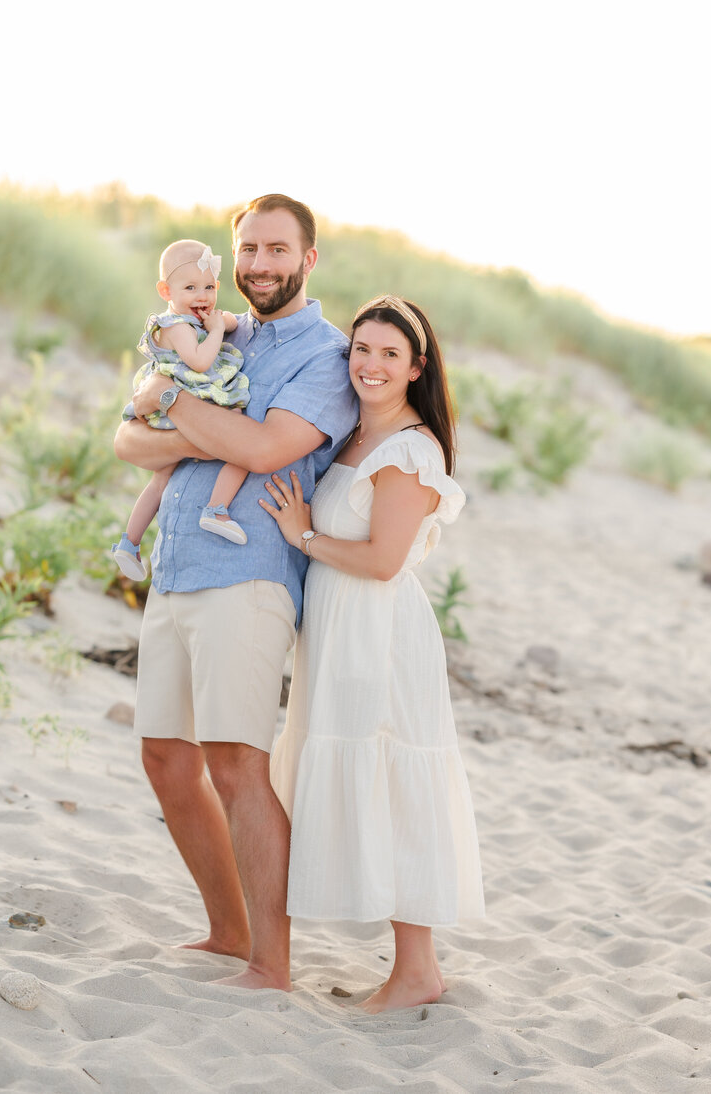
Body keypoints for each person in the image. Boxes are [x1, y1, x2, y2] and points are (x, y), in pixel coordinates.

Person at [113, 194, 358, 991]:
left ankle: (272, 962)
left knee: (235, 763)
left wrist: (174, 406)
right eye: (248, 250)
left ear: (309, 258)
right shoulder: (209, 328)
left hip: (248, 573)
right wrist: (199, 425)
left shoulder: (325, 356)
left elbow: (265, 444)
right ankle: (227, 931)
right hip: (177, 562)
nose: (259, 265)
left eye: (277, 251)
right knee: (164, 757)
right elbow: (124, 437)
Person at [262, 295, 485, 1012]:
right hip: (342, 632)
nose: (371, 364)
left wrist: (302, 535)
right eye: (362, 349)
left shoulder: (409, 452)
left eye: (390, 354)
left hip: (379, 635)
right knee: (372, 782)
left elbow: (385, 560)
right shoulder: (357, 437)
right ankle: (408, 969)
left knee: (390, 785)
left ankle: (418, 971)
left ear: (417, 367)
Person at [112, 239, 252, 581]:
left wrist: (225, 320)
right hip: (180, 400)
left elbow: (231, 321)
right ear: (165, 290)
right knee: (242, 439)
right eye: (190, 288)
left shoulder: (192, 319)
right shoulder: (175, 325)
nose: (201, 297)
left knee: (162, 478)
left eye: (208, 287)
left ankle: (128, 543)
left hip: (181, 401)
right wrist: (217, 329)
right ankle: (216, 509)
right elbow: (201, 363)